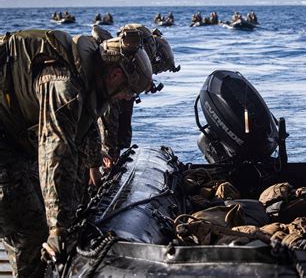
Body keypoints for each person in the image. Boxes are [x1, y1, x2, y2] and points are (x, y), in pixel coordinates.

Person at [0, 28, 152, 277]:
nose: (128, 98)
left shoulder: (94, 79)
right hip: (7, 139)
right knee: (28, 225)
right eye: (130, 92)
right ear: (115, 75)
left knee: (35, 203)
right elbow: (56, 152)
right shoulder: (64, 87)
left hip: (12, 133)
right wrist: (57, 229)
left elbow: (86, 131)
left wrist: (93, 166)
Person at [98, 24, 180, 167]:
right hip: (105, 132)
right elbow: (107, 121)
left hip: (118, 105)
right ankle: (108, 160)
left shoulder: (137, 59)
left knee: (121, 130)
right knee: (112, 124)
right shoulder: (120, 74)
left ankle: (114, 156)